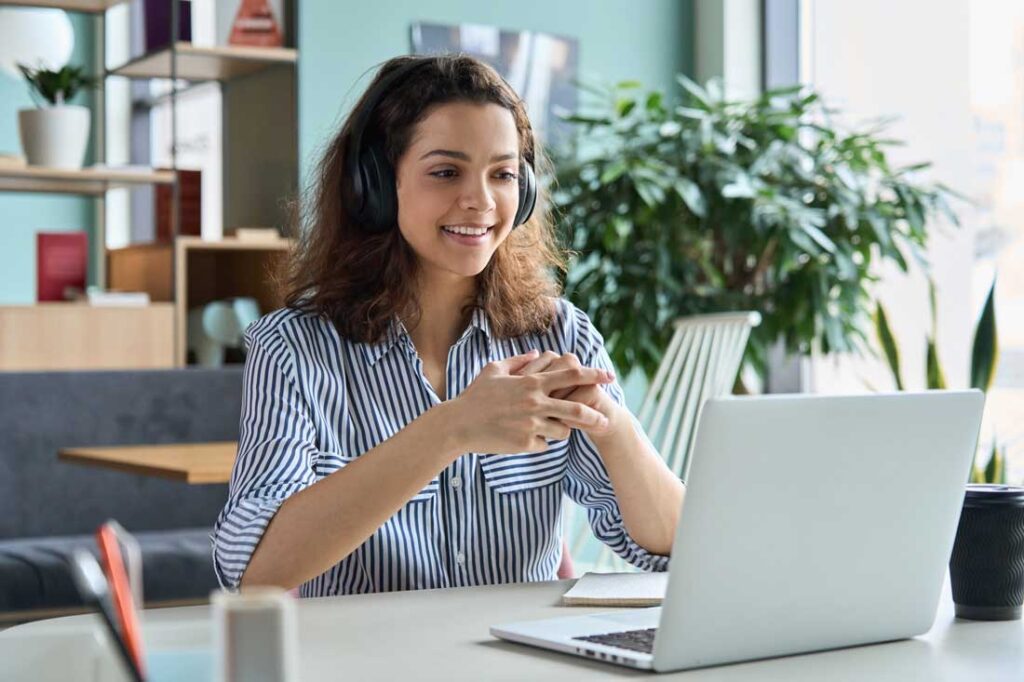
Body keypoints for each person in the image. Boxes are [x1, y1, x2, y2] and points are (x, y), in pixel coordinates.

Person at [211, 53, 684, 596]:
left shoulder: (560, 334)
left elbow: (676, 550)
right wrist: (452, 428)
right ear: (377, 186)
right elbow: (253, 571)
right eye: (445, 172)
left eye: (503, 174)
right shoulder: (294, 348)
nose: (480, 201)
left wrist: (613, 425)